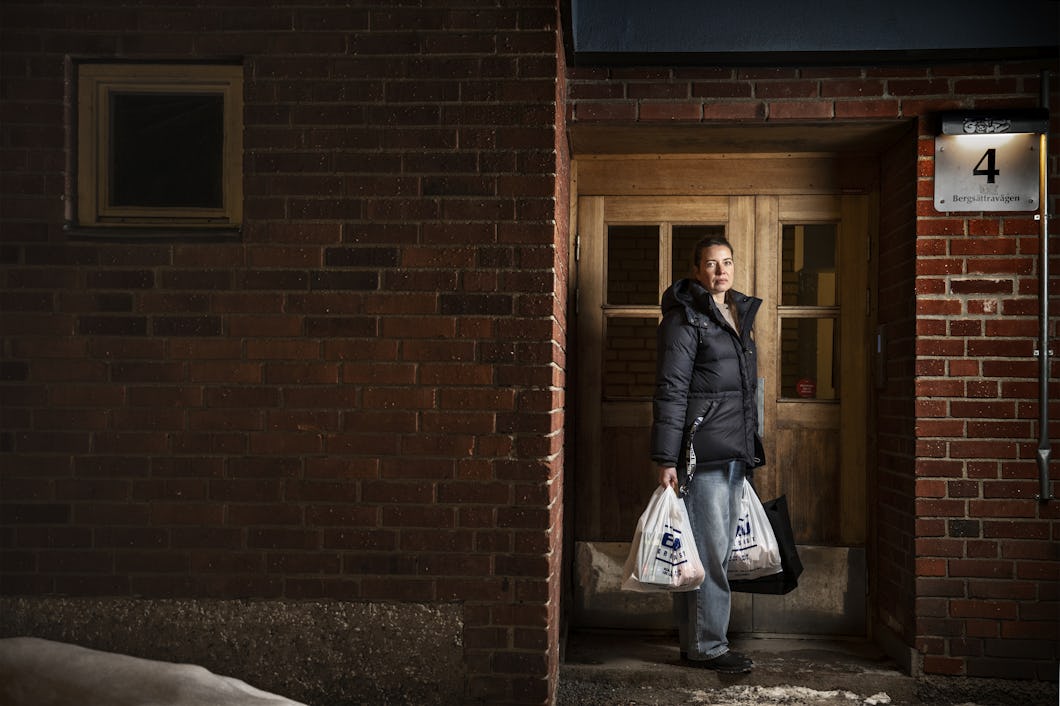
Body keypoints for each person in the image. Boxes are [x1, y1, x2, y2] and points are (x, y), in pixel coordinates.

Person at [651, 235, 763, 674]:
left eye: (728, 262)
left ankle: (699, 641)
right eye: (712, 264)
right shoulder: (685, 320)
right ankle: (708, 646)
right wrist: (666, 460)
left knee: (710, 555)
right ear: (697, 271)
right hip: (702, 456)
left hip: (733, 452)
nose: (721, 271)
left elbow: (744, 392)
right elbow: (671, 391)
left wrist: (751, 448)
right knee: (709, 555)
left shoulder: (735, 316)